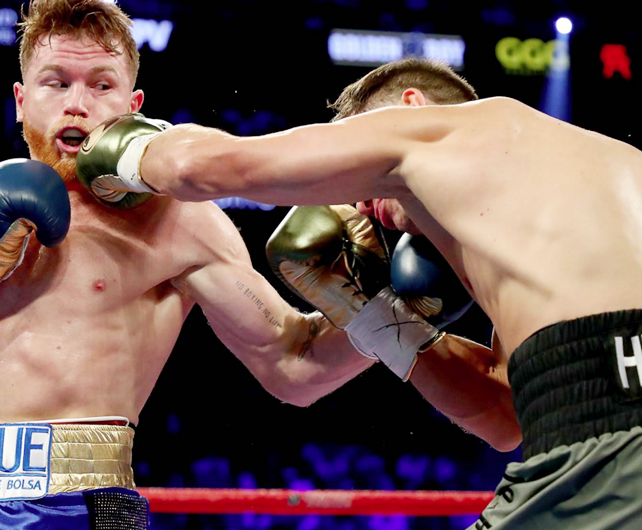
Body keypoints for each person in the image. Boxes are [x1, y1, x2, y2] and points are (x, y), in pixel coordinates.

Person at [0, 4, 499, 529]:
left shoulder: (177, 222)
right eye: (56, 84)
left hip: (81, 508)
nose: (77, 103)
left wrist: (387, 307)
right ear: (21, 101)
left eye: (101, 85)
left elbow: (291, 365)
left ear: (133, 110)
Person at [76, 57, 642, 528]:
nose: (360, 205)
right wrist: (370, 312)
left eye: (362, 177)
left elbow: (209, 168)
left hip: (605, 460)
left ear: (411, 107)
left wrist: (117, 153)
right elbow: (505, 419)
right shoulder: (579, 180)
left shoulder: (444, 129)